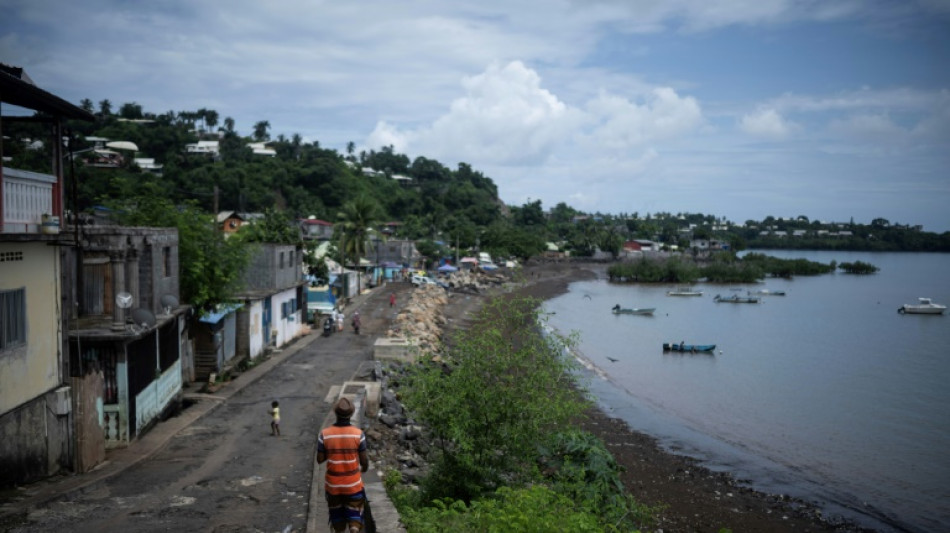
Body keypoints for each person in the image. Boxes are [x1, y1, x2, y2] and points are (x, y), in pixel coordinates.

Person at [317, 398, 369, 533]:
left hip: (333, 485)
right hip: (353, 484)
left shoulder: (325, 434)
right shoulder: (359, 434)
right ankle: (354, 528)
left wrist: (333, 449)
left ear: (336, 413)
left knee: (337, 518)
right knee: (355, 513)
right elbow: (364, 461)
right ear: (351, 414)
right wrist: (364, 468)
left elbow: (320, 459)